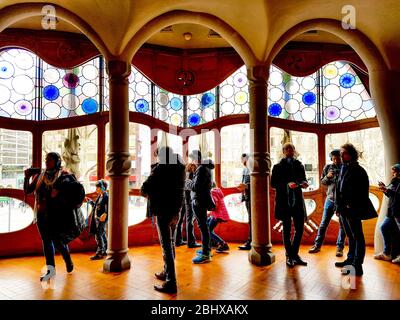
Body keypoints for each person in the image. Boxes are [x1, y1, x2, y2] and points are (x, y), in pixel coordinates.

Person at [23, 152, 75, 282]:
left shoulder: (63, 174)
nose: (46, 161)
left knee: (59, 242)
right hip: (41, 215)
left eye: (50, 159)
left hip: (57, 215)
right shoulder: (40, 176)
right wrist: (26, 177)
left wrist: (59, 189)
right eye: (46, 159)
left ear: (57, 161)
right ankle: (50, 271)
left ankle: (68, 260)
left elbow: (73, 186)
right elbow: (28, 190)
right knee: (46, 242)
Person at [141, 146, 185, 294]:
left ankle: (171, 282)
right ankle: (167, 272)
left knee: (166, 246)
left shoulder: (160, 169)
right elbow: (181, 191)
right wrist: (177, 211)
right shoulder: (180, 169)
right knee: (171, 243)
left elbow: (144, 188)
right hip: (175, 211)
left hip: (162, 210)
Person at [334, 143, 377, 276]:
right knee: (350, 236)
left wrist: (350, 205)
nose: (341, 155)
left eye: (344, 153)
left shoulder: (359, 170)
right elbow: (338, 188)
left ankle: (358, 266)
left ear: (351, 154)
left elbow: (362, 192)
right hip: (343, 209)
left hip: (353, 209)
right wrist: (338, 207)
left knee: (357, 236)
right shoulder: (343, 168)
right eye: (341, 152)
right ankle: (350, 260)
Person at [271, 142, 309, 267]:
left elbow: (303, 179)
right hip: (284, 201)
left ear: (294, 150)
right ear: (283, 151)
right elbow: (273, 184)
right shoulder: (277, 167)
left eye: (291, 148)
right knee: (286, 229)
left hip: (297, 200)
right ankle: (289, 255)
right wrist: (287, 184)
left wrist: (303, 183)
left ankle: (294, 254)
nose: (289, 150)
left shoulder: (299, 165)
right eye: (287, 148)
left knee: (300, 228)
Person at [309, 149, 347, 256]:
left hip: (342, 201)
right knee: (323, 224)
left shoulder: (345, 167)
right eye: (334, 158)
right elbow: (323, 182)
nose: (336, 160)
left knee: (342, 226)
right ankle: (317, 245)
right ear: (331, 158)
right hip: (330, 200)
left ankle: (339, 248)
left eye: (337, 158)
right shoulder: (327, 167)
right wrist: (328, 176)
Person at [186, 150, 215, 264]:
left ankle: (205, 254)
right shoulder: (205, 168)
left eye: (192, 159)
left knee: (203, 226)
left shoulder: (201, 169)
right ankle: (205, 249)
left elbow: (196, 186)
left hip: (199, 201)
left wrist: (187, 182)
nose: (192, 161)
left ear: (195, 158)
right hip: (201, 200)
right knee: (204, 226)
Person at [375, 163, 400, 264]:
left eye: (395, 172)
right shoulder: (395, 181)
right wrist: (385, 189)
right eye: (393, 172)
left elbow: (398, 196)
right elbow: (392, 195)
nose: (393, 174)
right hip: (392, 210)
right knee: (384, 227)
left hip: (399, 211)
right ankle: (387, 253)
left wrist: (389, 190)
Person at [175, 163, 201, 248]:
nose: (194, 169)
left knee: (180, 220)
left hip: (181, 199)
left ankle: (177, 240)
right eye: (193, 167)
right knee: (190, 220)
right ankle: (191, 242)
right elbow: (190, 188)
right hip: (188, 199)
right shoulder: (191, 175)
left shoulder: (183, 175)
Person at [206, 183, 230, 253]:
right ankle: (214, 243)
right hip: (218, 214)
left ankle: (223, 244)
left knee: (208, 231)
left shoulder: (213, 192)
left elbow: (215, 205)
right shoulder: (217, 191)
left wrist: (209, 210)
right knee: (209, 227)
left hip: (217, 215)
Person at [88, 179, 109, 260]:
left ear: (103, 188)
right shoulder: (100, 196)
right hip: (98, 218)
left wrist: (106, 214)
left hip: (101, 219)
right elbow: (98, 206)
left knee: (98, 235)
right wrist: (91, 202)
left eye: (98, 187)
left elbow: (108, 207)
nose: (96, 189)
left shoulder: (106, 196)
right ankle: (105, 250)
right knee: (102, 234)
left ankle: (100, 253)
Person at [237, 153, 252, 250]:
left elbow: (257, 184)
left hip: (252, 198)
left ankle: (250, 241)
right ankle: (250, 241)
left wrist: (245, 187)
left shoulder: (250, 168)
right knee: (251, 220)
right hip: (247, 197)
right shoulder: (245, 169)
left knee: (252, 220)